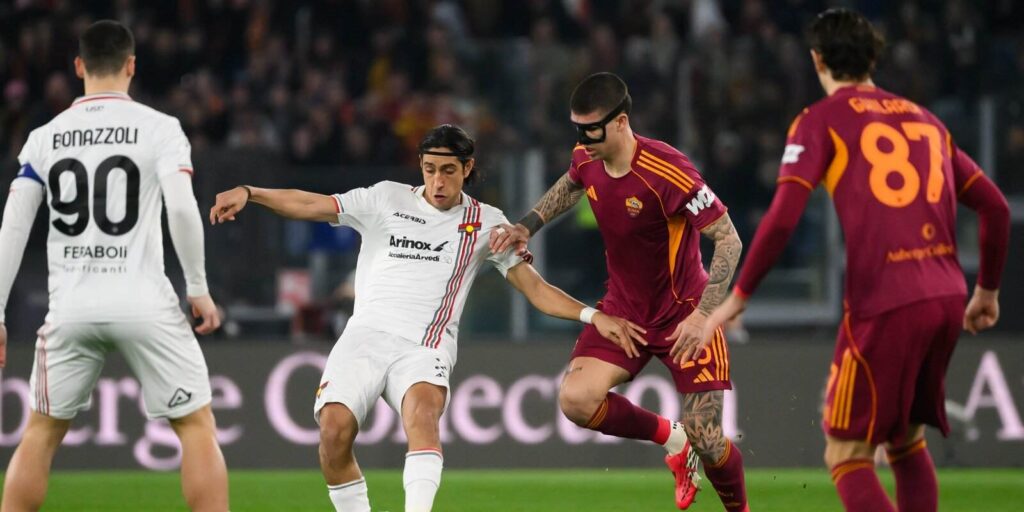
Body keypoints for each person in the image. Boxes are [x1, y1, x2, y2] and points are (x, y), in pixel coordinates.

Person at [209, 124, 646, 512]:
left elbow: (535, 289)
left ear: (467, 168)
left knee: (422, 413)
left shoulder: (487, 223)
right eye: (430, 169)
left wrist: (592, 316)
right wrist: (252, 193)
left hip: (425, 345)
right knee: (334, 433)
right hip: (364, 337)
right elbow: (311, 205)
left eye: (449, 171)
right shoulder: (384, 198)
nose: (438, 181)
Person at [696, 9, 1010, 512]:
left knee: (846, 453)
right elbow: (994, 205)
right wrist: (987, 291)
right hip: (948, 295)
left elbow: (781, 218)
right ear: (873, 58)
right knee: (906, 442)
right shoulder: (925, 119)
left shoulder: (819, 121)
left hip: (886, 301)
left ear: (817, 59)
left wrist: (739, 296)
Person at [490, 72, 749, 511]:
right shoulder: (585, 155)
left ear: (622, 122)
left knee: (709, 437)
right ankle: (673, 439)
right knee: (575, 399)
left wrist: (704, 315)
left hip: (685, 314)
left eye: (592, 129)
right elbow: (571, 183)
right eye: (577, 128)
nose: (583, 139)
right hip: (624, 310)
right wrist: (526, 226)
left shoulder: (668, 171)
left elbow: (729, 239)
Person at [0, 21, 228, 511]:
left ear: (79, 67)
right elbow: (183, 208)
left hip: (71, 306)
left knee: (40, 432)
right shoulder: (160, 128)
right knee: (195, 426)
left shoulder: (44, 138)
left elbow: (12, 228)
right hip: (144, 300)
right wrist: (197, 288)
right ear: (131, 66)